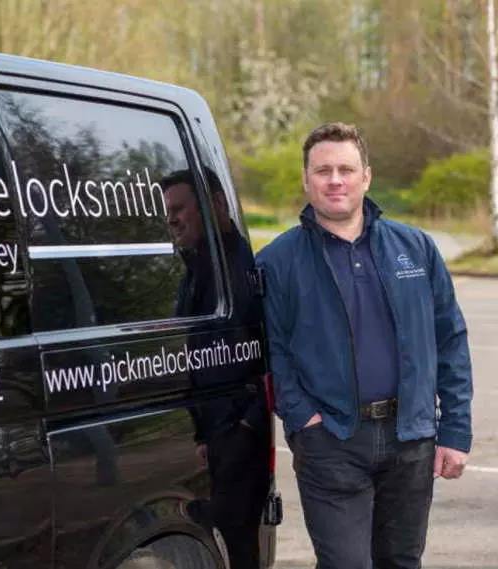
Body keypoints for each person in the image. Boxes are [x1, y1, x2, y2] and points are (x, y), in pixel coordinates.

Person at [256, 122, 473, 569]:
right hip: (331, 440)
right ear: (306, 179)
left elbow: (450, 340)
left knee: (400, 561)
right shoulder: (277, 262)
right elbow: (271, 352)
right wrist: (304, 421)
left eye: (346, 169)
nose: (335, 180)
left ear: (366, 177)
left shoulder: (415, 249)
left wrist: (454, 431)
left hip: (411, 437)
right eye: (323, 170)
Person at [163, 169, 269, 569]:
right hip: (215, 435)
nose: (172, 219)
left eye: (179, 209)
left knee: (239, 552)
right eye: (167, 211)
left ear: (216, 206)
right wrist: (201, 431)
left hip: (239, 439)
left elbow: (273, 358)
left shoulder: (240, 270)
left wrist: (244, 431)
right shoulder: (196, 266)